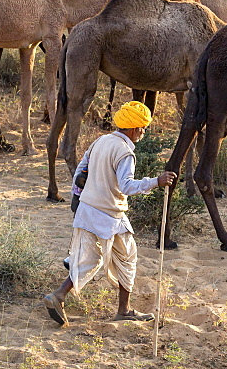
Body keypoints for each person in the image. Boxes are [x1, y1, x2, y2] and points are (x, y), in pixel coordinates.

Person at [44, 101, 176, 326]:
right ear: (134, 129)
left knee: (88, 259)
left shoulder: (100, 141)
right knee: (127, 258)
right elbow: (126, 186)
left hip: (87, 210)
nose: (143, 133)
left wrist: (78, 198)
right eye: (142, 129)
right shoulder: (125, 152)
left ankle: (58, 296)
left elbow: (80, 172)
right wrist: (157, 181)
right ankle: (123, 310)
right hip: (109, 214)